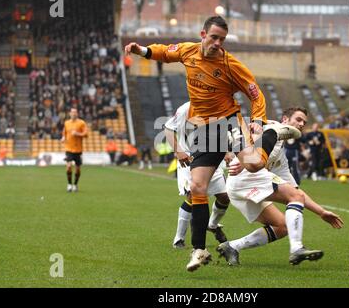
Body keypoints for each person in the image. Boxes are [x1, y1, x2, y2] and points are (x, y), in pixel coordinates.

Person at [125, 15, 300, 272]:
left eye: (222, 39)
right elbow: (164, 52)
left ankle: (274, 132)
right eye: (214, 37)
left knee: (252, 164)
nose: (218, 43)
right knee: (197, 186)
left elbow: (255, 92)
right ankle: (199, 250)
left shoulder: (231, 65)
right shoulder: (188, 51)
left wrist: (259, 123)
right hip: (206, 129)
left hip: (229, 121)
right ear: (203, 34)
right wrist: (141, 50)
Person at [218, 107, 344, 266]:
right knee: (294, 198)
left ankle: (232, 247)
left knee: (282, 226)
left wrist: (321, 212)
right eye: (298, 119)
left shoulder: (280, 157)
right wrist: (242, 160)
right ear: (285, 120)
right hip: (244, 177)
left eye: (304, 122)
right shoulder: (273, 126)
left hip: (238, 185)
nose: (301, 124)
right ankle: (297, 248)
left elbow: (296, 191)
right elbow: (246, 134)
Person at [164, 101, 231, 249]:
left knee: (225, 196)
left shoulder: (217, 105)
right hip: (190, 158)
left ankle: (212, 225)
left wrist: (225, 151)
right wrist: (179, 151)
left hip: (212, 156)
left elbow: (220, 132)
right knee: (193, 197)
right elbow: (168, 129)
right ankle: (179, 239)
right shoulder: (185, 109)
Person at [61, 108, 88, 192]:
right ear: (70, 114)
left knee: (78, 169)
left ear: (77, 114)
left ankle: (75, 185)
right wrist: (63, 138)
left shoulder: (81, 123)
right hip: (69, 148)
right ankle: (69, 184)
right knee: (69, 166)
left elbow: (86, 134)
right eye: (72, 112)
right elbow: (64, 133)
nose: (73, 114)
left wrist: (78, 134)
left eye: (75, 112)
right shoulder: (66, 123)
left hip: (78, 149)